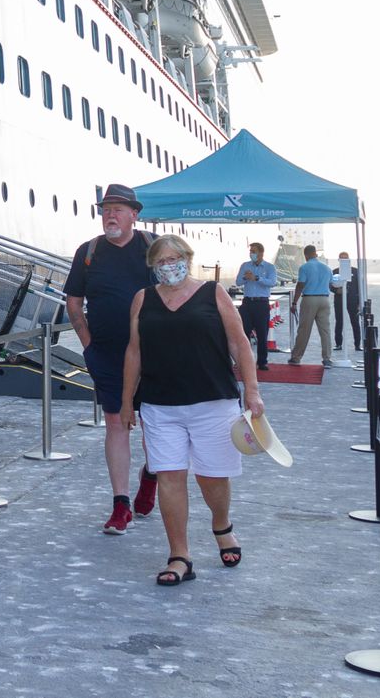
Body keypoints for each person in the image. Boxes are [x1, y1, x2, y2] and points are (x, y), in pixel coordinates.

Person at [121, 234, 265, 587]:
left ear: (187, 258)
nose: (168, 265)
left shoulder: (212, 293)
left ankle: (221, 525)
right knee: (169, 476)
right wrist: (127, 401)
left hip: (212, 401)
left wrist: (253, 391)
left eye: (174, 258)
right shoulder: (143, 299)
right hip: (160, 404)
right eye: (161, 261)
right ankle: (179, 555)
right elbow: (134, 352)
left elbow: (239, 343)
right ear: (153, 267)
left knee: (212, 476)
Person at [64, 183, 159, 535]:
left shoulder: (153, 248)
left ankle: (151, 474)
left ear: (135, 214)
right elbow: (74, 302)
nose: (110, 215)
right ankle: (121, 505)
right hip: (106, 354)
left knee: (155, 423)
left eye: (118, 209)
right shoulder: (88, 252)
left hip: (154, 354)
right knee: (117, 423)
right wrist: (88, 345)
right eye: (105, 209)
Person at [288, 245, 335, 367]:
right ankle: (327, 358)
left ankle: (296, 357)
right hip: (324, 299)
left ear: (306, 255)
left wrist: (294, 302)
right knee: (325, 331)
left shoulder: (304, 267)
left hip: (309, 299)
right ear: (316, 254)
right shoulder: (327, 268)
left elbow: (300, 285)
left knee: (304, 330)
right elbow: (332, 284)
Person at [233, 243, 275, 371]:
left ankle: (262, 362)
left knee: (262, 333)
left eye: (254, 251)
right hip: (247, 303)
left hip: (261, 303)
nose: (251, 254)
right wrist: (246, 277)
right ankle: (243, 360)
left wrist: (257, 278)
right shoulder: (245, 265)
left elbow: (272, 282)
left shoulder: (269, 267)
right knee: (243, 333)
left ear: (261, 253)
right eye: (251, 251)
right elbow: (238, 282)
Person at [342, 254, 364, 351]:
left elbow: (360, 287)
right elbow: (330, 285)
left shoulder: (355, 271)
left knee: (355, 322)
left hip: (353, 301)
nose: (343, 260)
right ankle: (338, 344)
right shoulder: (335, 272)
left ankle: (357, 344)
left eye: (345, 258)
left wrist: (360, 302)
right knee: (339, 322)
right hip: (340, 300)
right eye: (341, 258)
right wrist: (336, 290)